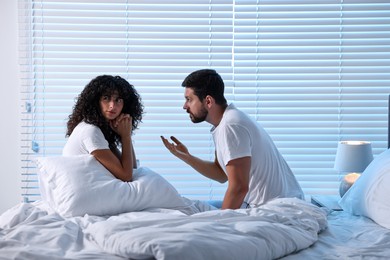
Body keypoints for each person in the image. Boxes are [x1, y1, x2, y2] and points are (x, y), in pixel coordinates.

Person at [161, 69, 304, 209]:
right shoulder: (226, 122)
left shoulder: (231, 125)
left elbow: (239, 187)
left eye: (189, 99)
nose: (184, 106)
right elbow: (221, 174)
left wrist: (220, 225)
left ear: (208, 101)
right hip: (264, 204)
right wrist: (187, 157)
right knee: (188, 208)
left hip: (276, 208)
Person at [63, 75, 143, 182]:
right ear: (96, 101)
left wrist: (125, 134)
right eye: (106, 98)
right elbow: (126, 176)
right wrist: (125, 136)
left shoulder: (101, 131)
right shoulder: (91, 131)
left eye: (118, 100)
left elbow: (132, 168)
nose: (112, 106)